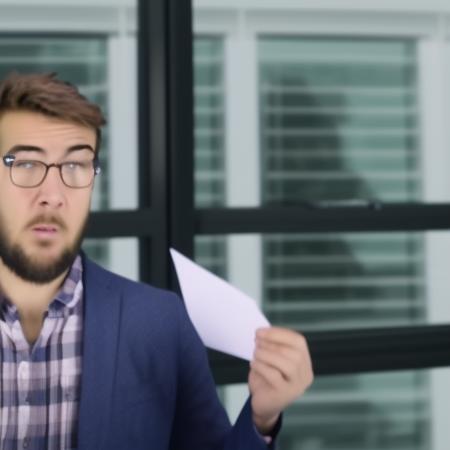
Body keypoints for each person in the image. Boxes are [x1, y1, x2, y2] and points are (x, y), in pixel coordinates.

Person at [0, 72, 314, 450]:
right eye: (27, 165)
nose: (54, 195)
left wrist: (262, 419)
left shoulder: (160, 324)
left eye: (75, 166)